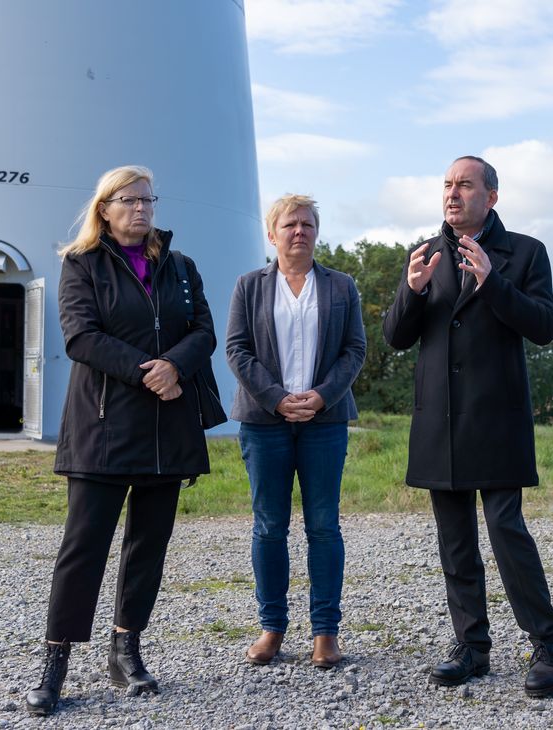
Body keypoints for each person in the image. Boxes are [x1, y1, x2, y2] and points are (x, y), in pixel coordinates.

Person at [25, 166, 216, 715]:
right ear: (104, 208)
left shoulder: (180, 268)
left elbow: (202, 330)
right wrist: (146, 370)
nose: (142, 209)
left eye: (149, 199)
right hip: (103, 428)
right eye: (130, 200)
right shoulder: (81, 265)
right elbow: (81, 337)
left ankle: (125, 652)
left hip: (166, 428)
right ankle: (55, 662)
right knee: (82, 550)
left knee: (147, 548)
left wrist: (175, 365)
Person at [382, 156, 553, 697]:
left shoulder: (526, 252)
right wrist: (411, 290)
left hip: (497, 418)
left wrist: (493, 284)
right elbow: (396, 337)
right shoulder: (426, 253)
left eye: (464, 185)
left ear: (491, 196)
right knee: (454, 539)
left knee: (507, 529)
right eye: (446, 184)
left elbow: (544, 327)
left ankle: (548, 643)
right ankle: (471, 647)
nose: (452, 193)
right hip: (439, 422)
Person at [226, 194, 366, 669]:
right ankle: (272, 627)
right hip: (265, 422)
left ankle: (325, 632)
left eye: (307, 224)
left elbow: (354, 349)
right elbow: (237, 349)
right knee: (269, 527)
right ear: (273, 233)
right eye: (290, 224)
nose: (299, 231)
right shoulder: (249, 286)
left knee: (323, 526)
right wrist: (276, 397)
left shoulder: (342, 286)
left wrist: (323, 395)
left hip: (324, 422)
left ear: (316, 232)